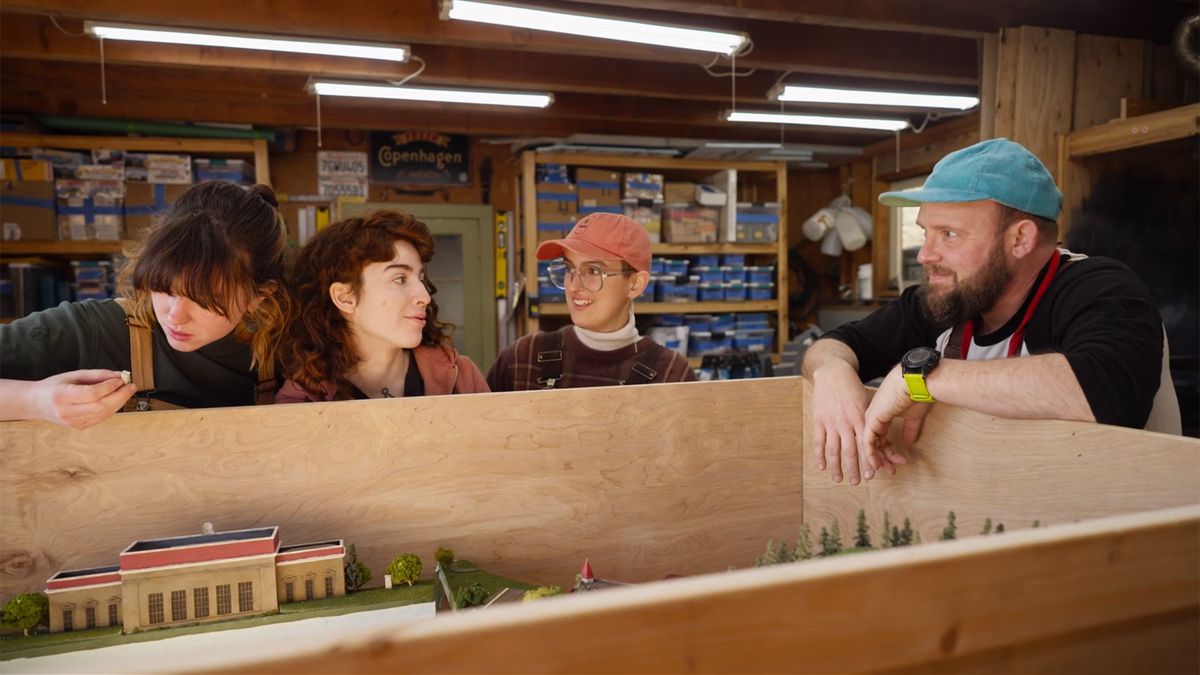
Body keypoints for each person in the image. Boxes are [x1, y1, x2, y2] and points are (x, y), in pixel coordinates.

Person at [802, 138, 1180, 485]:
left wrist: (916, 379)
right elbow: (839, 344)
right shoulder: (949, 299)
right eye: (925, 233)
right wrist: (831, 372)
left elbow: (1102, 391)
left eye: (949, 234)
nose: (925, 255)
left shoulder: (1102, 289)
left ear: (1020, 239)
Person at [0, 181, 290, 429]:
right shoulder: (94, 329)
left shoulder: (293, 348)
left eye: (205, 301)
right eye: (164, 289)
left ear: (259, 295)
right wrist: (33, 401)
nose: (175, 316)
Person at [275, 210, 488, 402]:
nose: (425, 296)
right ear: (345, 298)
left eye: (420, 278)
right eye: (399, 279)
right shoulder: (300, 402)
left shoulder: (463, 378)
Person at [487, 212, 694, 390]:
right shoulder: (521, 360)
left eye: (593, 271)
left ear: (635, 284)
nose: (574, 285)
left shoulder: (671, 374)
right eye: (569, 269)